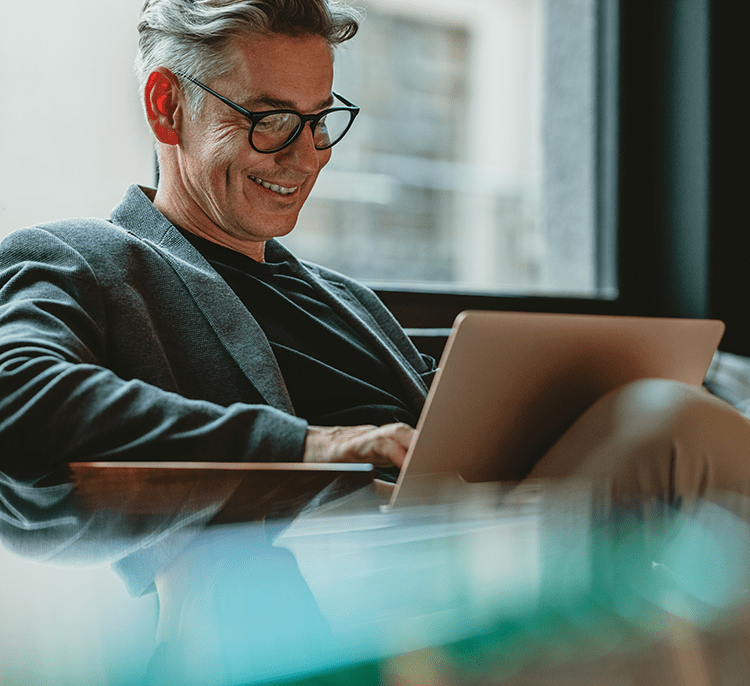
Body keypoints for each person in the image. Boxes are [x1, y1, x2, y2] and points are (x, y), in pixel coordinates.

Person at [2, 0, 750, 598]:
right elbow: (19, 402)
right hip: (332, 593)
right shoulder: (81, 260)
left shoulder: (347, 300)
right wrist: (310, 447)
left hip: (481, 548)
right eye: (270, 121)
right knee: (663, 424)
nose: (306, 156)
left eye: (321, 119)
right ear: (167, 106)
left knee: (674, 424)